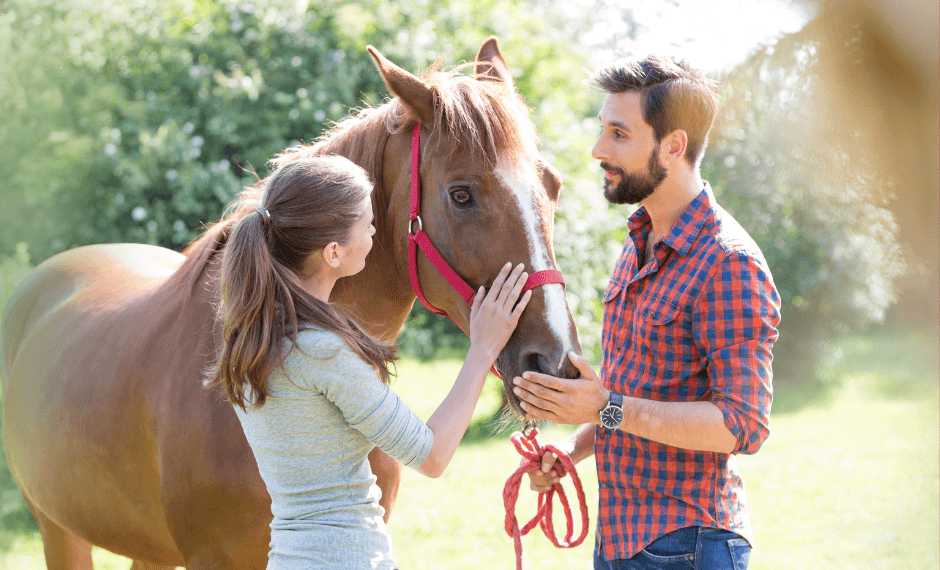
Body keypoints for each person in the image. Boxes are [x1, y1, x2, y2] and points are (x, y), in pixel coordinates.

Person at [511, 56, 781, 569]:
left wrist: (603, 408)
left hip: (689, 547)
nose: (598, 150)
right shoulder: (639, 241)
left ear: (673, 145)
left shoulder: (729, 263)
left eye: (619, 134)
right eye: (602, 130)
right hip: (623, 543)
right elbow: (626, 396)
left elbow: (740, 424)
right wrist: (573, 447)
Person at [207, 154, 532, 570]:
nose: (376, 229)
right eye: (366, 222)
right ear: (334, 253)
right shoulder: (320, 352)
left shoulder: (254, 338)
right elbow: (431, 455)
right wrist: (483, 348)